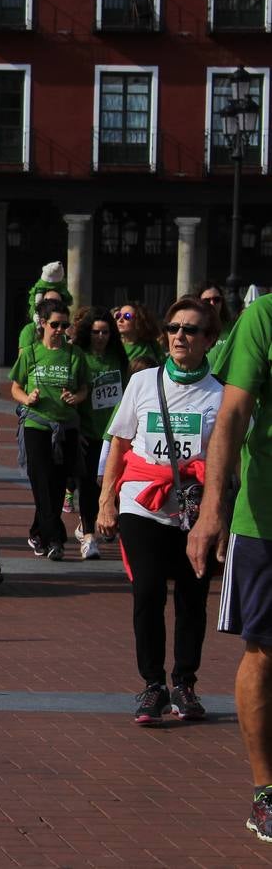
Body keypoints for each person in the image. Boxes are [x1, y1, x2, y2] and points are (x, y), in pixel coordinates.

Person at [95, 297, 223, 725]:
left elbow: (228, 463)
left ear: (210, 339)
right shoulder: (144, 382)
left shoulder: (220, 395)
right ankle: (152, 685)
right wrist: (107, 501)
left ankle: (184, 684)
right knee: (147, 592)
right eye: (173, 329)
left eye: (190, 330)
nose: (180, 336)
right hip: (141, 503)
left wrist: (219, 517)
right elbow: (119, 442)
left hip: (194, 510)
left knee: (191, 599)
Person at [188, 292, 272, 844]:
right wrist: (212, 507)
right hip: (266, 521)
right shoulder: (265, 316)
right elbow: (233, 412)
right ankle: (267, 792)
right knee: (264, 649)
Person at [11, 298, 89, 561]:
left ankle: (38, 532)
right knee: (40, 481)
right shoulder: (31, 353)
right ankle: (56, 539)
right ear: (42, 324)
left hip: (66, 427)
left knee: (57, 485)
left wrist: (75, 398)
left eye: (64, 325)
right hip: (36, 424)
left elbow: (84, 389)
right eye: (55, 324)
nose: (60, 329)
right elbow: (15, 387)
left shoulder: (74, 354)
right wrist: (27, 398)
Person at [73, 306, 129, 560]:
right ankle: (88, 536)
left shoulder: (118, 357)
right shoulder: (80, 356)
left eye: (105, 332)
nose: (100, 337)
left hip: (115, 433)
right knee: (87, 486)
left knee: (114, 483)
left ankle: (101, 519)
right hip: (88, 431)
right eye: (96, 332)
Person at [116, 302, 165, 366]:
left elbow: (163, 367)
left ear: (138, 321)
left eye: (126, 316)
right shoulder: (114, 346)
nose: (120, 320)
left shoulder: (152, 345)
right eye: (118, 315)